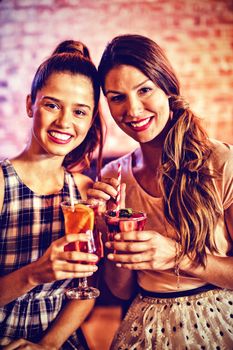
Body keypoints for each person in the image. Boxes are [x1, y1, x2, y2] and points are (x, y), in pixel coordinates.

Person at [87, 34, 233, 349]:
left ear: (166, 86)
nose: (133, 109)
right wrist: (108, 230)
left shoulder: (222, 162)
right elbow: (121, 290)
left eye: (144, 90)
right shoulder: (113, 176)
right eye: (117, 97)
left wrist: (175, 255)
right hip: (146, 324)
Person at [0, 40, 104, 349]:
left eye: (80, 111)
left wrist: (47, 345)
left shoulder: (85, 191)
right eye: (52, 105)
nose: (64, 122)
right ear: (30, 104)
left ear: (91, 118)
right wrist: (34, 274)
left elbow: (87, 291)